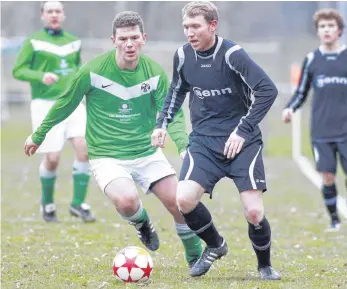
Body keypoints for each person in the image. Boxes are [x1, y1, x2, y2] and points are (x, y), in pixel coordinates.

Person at [24, 11, 202, 268]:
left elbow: (169, 114)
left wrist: (183, 145)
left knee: (179, 203)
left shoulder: (154, 73)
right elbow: (65, 103)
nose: (129, 44)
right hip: (107, 155)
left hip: (146, 151)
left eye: (134, 38)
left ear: (143, 39)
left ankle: (195, 256)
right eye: (123, 39)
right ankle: (142, 222)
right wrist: (39, 135)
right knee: (127, 200)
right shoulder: (93, 70)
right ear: (113, 40)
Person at [152, 1, 281, 280]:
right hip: (204, 142)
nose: (190, 33)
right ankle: (215, 245)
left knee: (255, 212)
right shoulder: (183, 56)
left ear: (213, 25)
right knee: (183, 199)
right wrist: (161, 123)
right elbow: (176, 91)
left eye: (196, 26)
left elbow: (267, 90)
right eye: (186, 27)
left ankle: (265, 266)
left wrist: (243, 129)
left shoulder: (233, 54)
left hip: (242, 143)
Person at [13, 1, 95, 223]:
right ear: (42, 15)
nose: (54, 15)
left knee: (84, 149)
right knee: (53, 157)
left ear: (63, 14)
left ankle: (78, 204)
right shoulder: (33, 41)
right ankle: (48, 205)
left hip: (72, 103)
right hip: (44, 104)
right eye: (50, 11)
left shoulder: (74, 42)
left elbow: (78, 70)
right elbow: (18, 70)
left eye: (58, 11)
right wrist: (41, 76)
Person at [283, 9, 347, 232]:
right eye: (322, 27)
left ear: (339, 31)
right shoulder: (312, 59)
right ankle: (335, 221)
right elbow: (302, 91)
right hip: (321, 131)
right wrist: (290, 108)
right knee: (327, 175)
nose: (326, 30)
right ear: (318, 32)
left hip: (346, 130)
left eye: (331, 26)